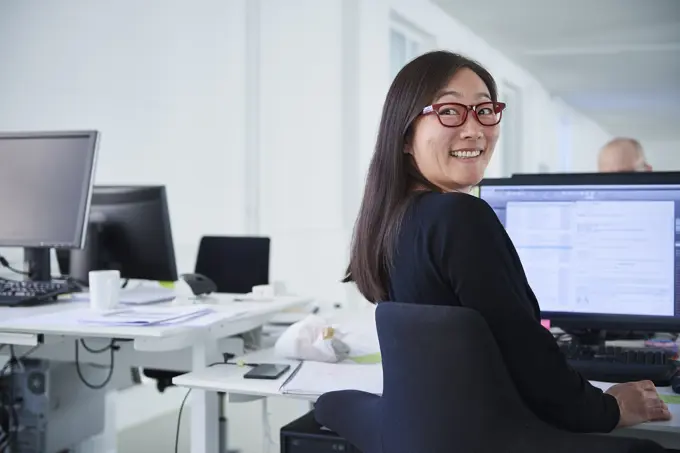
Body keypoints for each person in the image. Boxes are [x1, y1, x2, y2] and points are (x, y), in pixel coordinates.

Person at [344, 51, 670, 433]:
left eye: (484, 110)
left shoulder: (393, 223)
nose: (474, 129)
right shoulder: (459, 216)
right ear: (404, 133)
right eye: (450, 111)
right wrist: (611, 407)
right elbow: (532, 364)